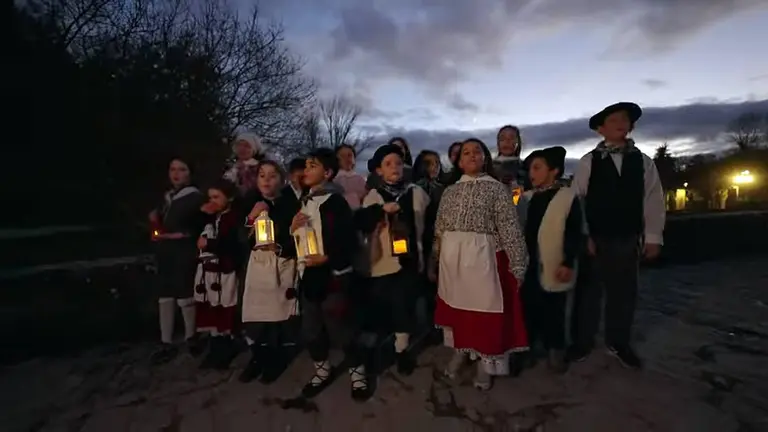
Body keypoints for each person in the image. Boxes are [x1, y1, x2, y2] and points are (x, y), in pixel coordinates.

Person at [568, 102, 665, 369]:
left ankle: (619, 341)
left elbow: (653, 199)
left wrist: (654, 236)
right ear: (601, 129)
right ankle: (581, 342)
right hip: (595, 237)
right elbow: (577, 200)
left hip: (627, 236)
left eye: (624, 120)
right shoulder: (590, 161)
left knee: (624, 293)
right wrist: (583, 234)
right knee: (587, 293)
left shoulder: (643, 162)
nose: (620, 124)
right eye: (613, 120)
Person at [431, 138, 529, 390]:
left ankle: (485, 364)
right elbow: (440, 228)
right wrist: (435, 256)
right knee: (458, 311)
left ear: (485, 157)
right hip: (452, 263)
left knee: (483, 314)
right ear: (459, 161)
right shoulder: (450, 191)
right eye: (466, 152)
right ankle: (461, 351)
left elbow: (509, 228)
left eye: (477, 151)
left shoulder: (496, 189)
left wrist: (518, 263)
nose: (472, 155)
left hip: (483, 260)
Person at [291, 148, 370, 401]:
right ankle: (322, 371)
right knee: (312, 328)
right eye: (305, 165)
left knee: (342, 328)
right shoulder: (305, 200)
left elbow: (348, 239)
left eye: (312, 166)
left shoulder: (335, 201)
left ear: (327, 173)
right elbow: (299, 238)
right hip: (310, 275)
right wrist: (292, 228)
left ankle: (358, 374)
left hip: (334, 274)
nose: (306, 170)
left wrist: (328, 258)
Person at [356, 144, 430, 375]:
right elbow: (362, 223)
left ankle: (402, 351)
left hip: (409, 259)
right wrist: (380, 212)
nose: (395, 168)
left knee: (404, 307)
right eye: (388, 164)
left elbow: (427, 226)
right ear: (379, 171)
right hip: (381, 263)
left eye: (398, 163)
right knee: (380, 308)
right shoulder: (373, 196)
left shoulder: (416, 193)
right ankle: (375, 349)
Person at [518, 146, 583, 374]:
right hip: (528, 265)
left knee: (554, 311)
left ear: (554, 170)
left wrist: (567, 262)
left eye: (537, 168)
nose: (532, 174)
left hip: (554, 264)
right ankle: (527, 350)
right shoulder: (526, 198)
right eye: (530, 169)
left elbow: (575, 233)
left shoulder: (567, 198)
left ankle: (555, 349)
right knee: (528, 310)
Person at [239, 161, 301, 384]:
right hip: (257, 265)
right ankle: (258, 357)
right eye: (262, 175)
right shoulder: (249, 203)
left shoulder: (290, 205)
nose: (266, 180)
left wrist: (282, 246)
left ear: (282, 180)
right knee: (255, 316)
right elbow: (237, 239)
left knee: (275, 316)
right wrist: (251, 219)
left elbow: (299, 236)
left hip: (280, 263)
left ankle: (274, 360)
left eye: (272, 175)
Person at [149, 157, 207, 365]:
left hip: (184, 250)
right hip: (164, 251)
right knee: (165, 294)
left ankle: (191, 336)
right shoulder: (166, 197)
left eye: (182, 169)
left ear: (189, 173)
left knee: (185, 292)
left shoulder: (195, 197)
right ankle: (166, 341)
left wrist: (181, 235)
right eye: (173, 169)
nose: (176, 174)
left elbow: (201, 225)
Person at [194, 179, 242, 370]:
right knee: (212, 307)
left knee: (224, 307)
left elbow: (233, 245)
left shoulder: (233, 218)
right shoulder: (211, 217)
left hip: (225, 270)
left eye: (216, 197)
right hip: (209, 270)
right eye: (209, 197)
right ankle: (215, 347)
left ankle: (226, 347)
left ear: (228, 198)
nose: (212, 201)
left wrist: (210, 245)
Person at [412, 149, 446, 342]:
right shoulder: (416, 188)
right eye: (429, 163)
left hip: (440, 238)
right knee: (425, 286)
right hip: (422, 238)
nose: (434, 167)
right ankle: (428, 327)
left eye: (436, 162)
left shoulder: (443, 188)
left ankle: (438, 325)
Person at [493, 125, 528, 191]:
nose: (507, 141)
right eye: (502, 139)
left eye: (511, 138)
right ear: (498, 143)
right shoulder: (489, 167)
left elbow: (518, 198)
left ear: (518, 142)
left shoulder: (525, 167)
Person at [334, 144, 367, 210]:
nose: (346, 159)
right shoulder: (334, 179)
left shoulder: (360, 179)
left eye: (349, 155)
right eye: (342, 156)